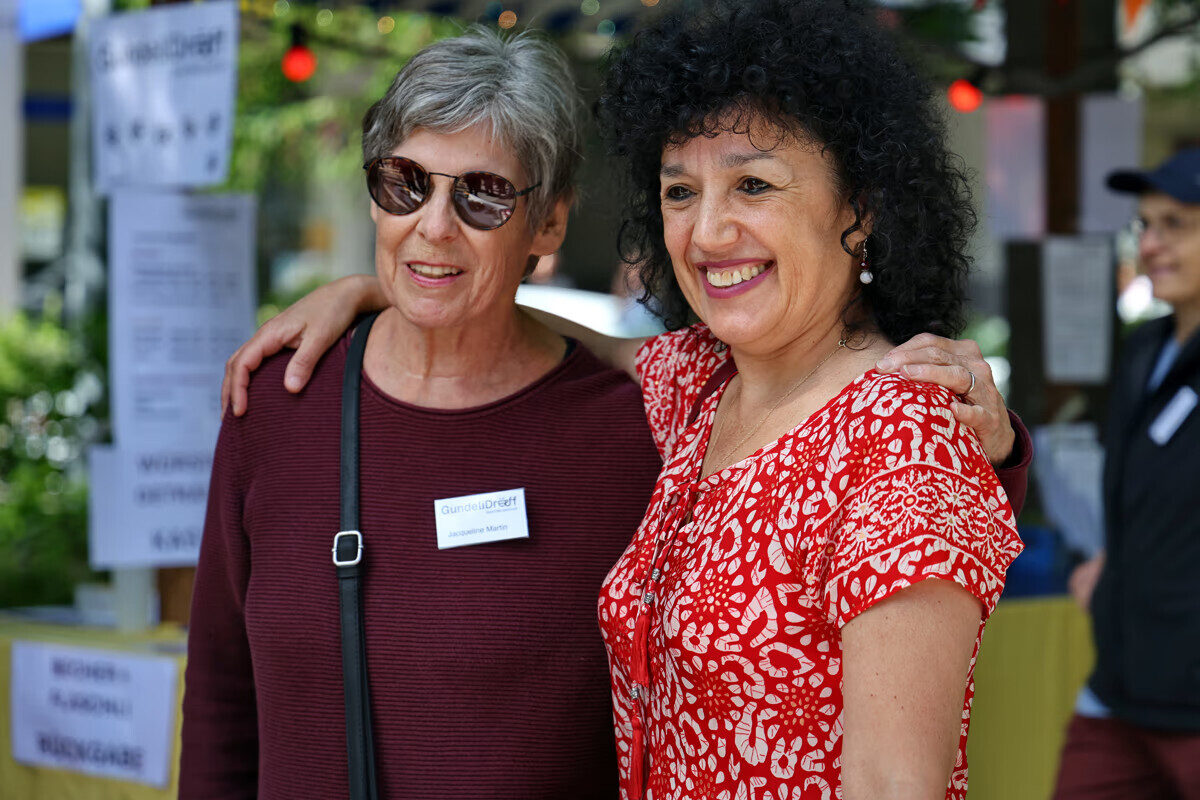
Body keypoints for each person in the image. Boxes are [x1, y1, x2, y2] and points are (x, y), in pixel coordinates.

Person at [226, 4, 1030, 799]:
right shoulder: (703, 388)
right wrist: (387, 291)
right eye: (681, 192)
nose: (709, 233)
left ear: (863, 206)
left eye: (753, 184)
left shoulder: (902, 434)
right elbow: (572, 334)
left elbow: (896, 785)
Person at [179, 29, 666, 800]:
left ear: (548, 224)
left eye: (482, 194)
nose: (434, 225)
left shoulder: (631, 436)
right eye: (406, 183)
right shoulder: (276, 405)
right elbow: (219, 702)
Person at [1053, 147, 1200, 799]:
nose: (1153, 243)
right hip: (1118, 688)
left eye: (1176, 224)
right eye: (1145, 225)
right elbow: (1148, 497)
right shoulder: (1145, 349)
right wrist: (1115, 559)